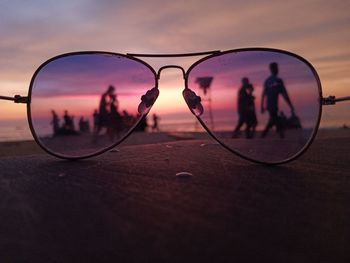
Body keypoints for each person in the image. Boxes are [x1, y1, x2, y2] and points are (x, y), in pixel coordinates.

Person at [261, 62, 294, 138]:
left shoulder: (269, 81)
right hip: (271, 106)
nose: (277, 70)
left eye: (277, 68)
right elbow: (284, 94)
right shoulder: (275, 81)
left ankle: (266, 134)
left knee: (273, 119)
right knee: (274, 119)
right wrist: (290, 105)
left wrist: (262, 106)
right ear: (272, 69)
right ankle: (268, 134)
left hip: (272, 105)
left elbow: (284, 94)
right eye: (275, 68)